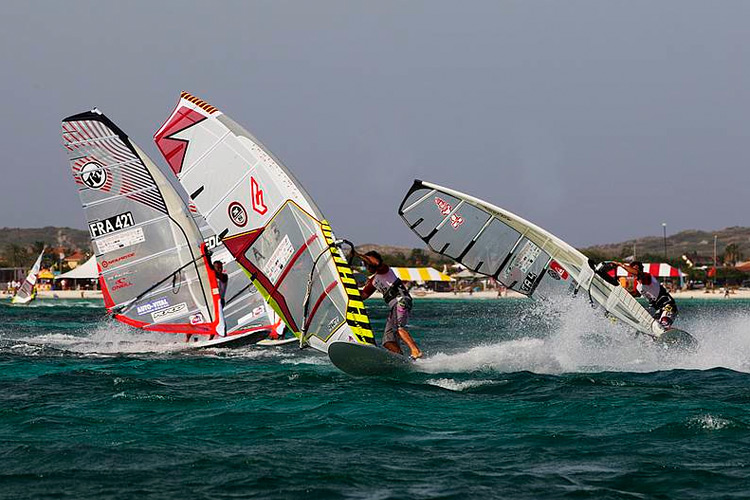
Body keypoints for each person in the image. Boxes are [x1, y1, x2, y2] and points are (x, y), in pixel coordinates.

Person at [356, 250, 423, 359]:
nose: (367, 265)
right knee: (388, 341)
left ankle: (416, 351)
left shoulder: (384, 270)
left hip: (401, 300)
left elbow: (376, 263)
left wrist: (358, 255)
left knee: (399, 328)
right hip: (394, 307)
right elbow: (363, 296)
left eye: (367, 263)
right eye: (365, 264)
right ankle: (402, 359)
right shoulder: (373, 280)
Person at [616, 261, 678, 328]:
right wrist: (619, 292)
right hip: (658, 310)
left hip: (668, 306)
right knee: (651, 326)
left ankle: (673, 334)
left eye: (635, 270)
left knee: (663, 323)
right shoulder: (638, 286)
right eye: (632, 271)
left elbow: (638, 274)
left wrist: (620, 265)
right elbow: (635, 294)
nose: (633, 272)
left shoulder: (647, 277)